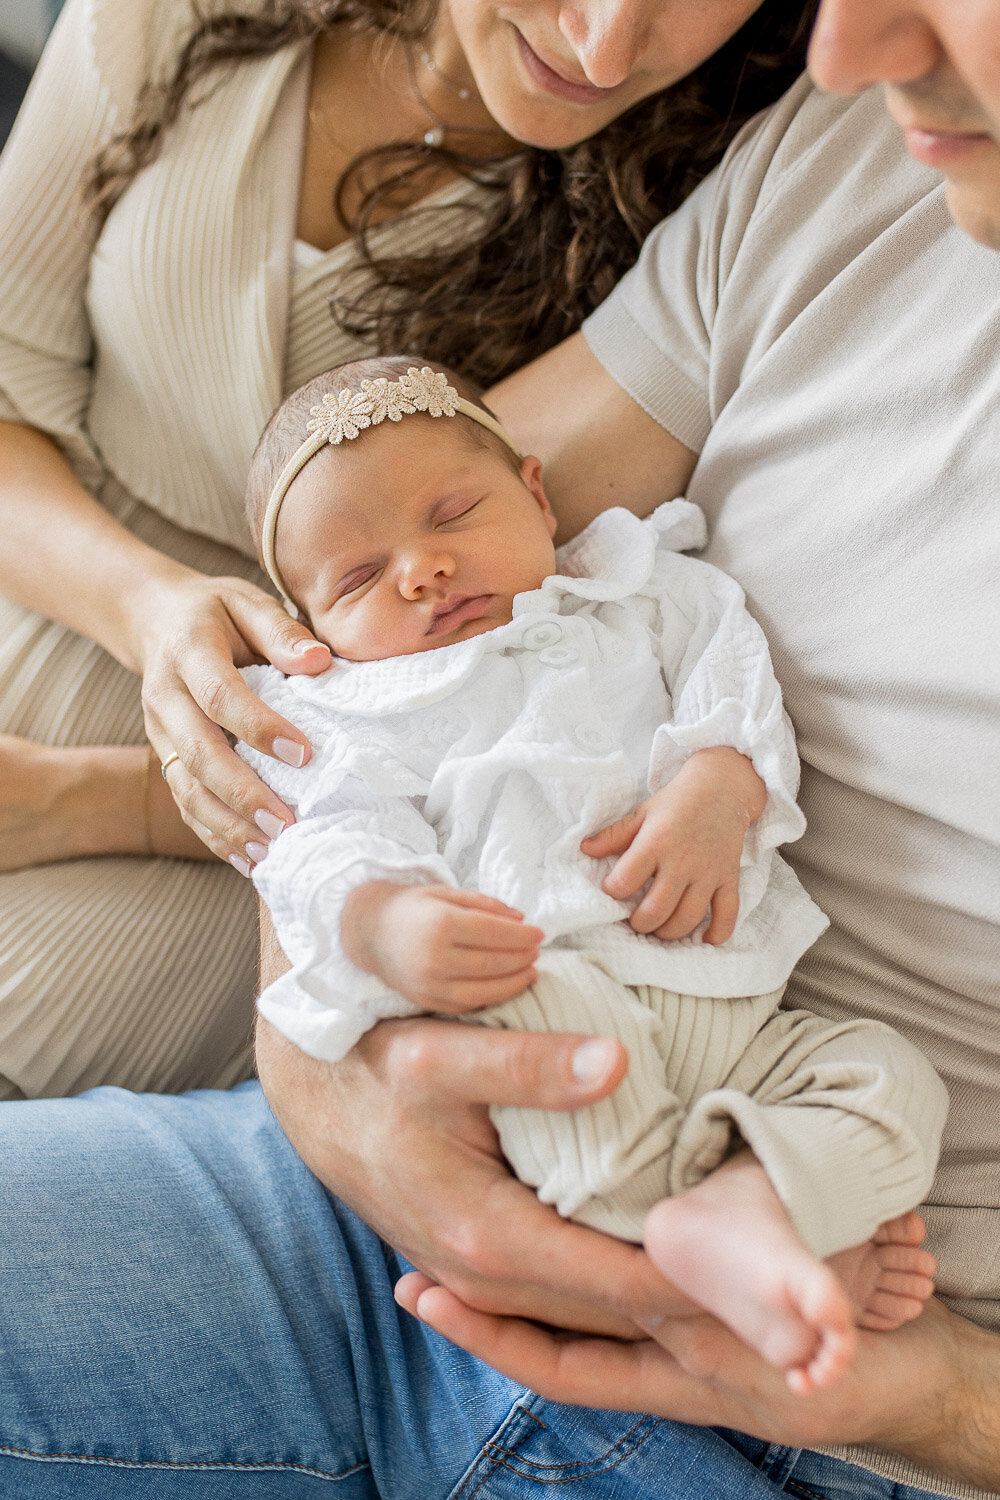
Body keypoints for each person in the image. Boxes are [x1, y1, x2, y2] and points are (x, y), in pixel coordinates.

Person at [0, 0, 998, 1496]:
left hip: (831, 1394)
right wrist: (340, 1060)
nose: (843, 44)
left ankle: (730, 1215)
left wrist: (939, 1408)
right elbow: (354, 664)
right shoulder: (860, 160)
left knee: (868, 1093)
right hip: (366, 1221)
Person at [0, 0, 813, 1101]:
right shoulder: (174, 19)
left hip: (272, 830)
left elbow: (504, 736)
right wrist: (150, 610)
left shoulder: (715, 190)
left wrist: (105, 800)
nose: (606, 46)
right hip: (52, 573)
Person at [237, 356, 941, 1392]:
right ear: (311, 629)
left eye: (452, 512)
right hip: (543, 984)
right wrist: (382, 922)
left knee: (887, 1073)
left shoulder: (642, 589)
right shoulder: (354, 709)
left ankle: (745, 1205)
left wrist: (718, 780)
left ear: (534, 491)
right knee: (541, 1023)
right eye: (355, 578)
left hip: (738, 1009)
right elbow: (323, 841)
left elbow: (730, 671)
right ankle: (718, 1242)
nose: (421, 570)